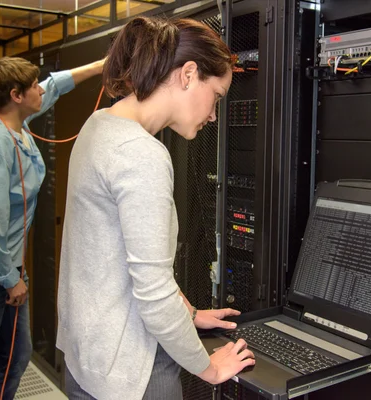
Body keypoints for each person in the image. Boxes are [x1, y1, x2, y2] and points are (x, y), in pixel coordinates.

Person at [56, 16, 255, 400]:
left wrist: (191, 314)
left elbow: (124, 261)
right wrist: (210, 368)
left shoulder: (98, 125)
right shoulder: (142, 155)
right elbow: (153, 291)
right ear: (188, 74)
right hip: (133, 370)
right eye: (216, 95)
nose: (213, 114)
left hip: (89, 359)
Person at [0, 56, 105, 399]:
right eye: (33, 85)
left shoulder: (16, 121)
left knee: (15, 358)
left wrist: (99, 67)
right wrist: (9, 278)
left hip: (4, 266)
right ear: (16, 95)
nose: (40, 89)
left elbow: (54, 87)